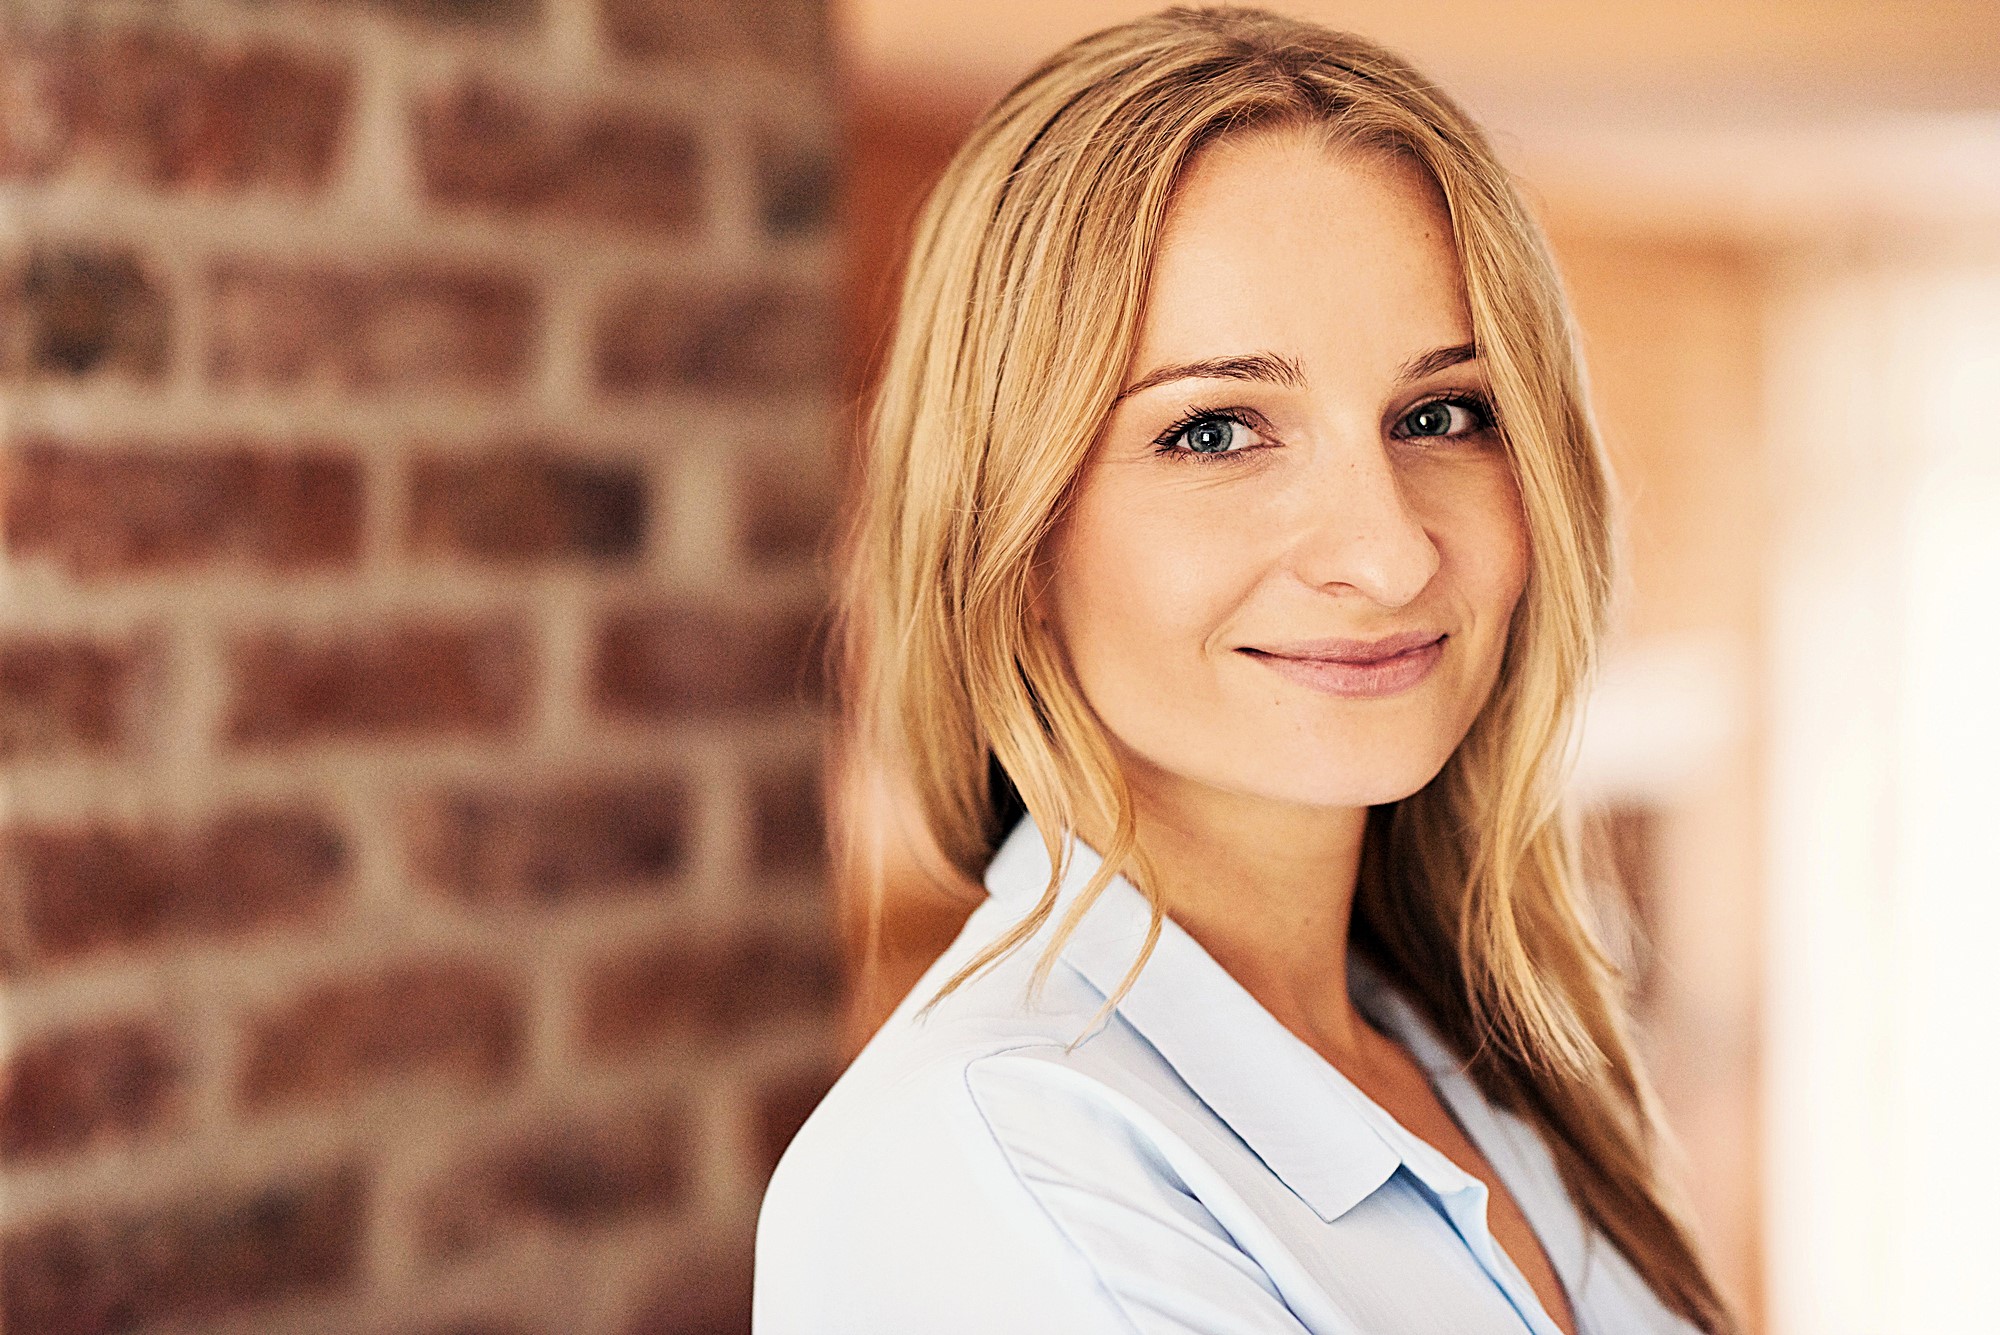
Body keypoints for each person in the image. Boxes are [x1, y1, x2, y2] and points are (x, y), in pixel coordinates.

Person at [754, 7, 1738, 1334]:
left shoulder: (1468, 1060)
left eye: (1442, 414)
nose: (1388, 554)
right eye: (1217, 430)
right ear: (1012, 528)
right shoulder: (999, 1173)